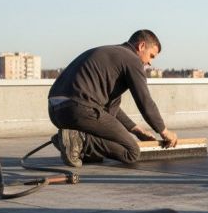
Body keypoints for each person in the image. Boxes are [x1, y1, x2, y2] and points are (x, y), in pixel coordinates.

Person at [48, 29, 178, 167]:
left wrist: (136, 130)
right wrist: (164, 131)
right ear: (141, 46)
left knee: (98, 152)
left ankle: (73, 143)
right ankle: (80, 140)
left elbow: (111, 110)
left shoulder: (112, 57)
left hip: (56, 112)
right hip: (79, 109)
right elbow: (145, 102)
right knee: (132, 151)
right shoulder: (132, 59)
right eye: (151, 56)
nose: (150, 63)